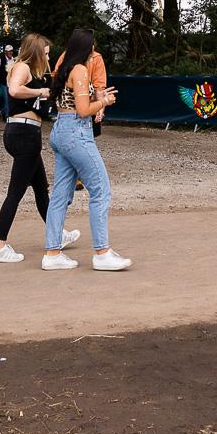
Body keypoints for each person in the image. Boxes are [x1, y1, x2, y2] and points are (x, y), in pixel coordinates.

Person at [42, 29, 131, 271]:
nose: (94, 53)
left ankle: (52, 252)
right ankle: (102, 252)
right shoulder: (80, 70)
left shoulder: (64, 67)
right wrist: (104, 102)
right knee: (101, 190)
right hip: (76, 132)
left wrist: (100, 98)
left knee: (60, 195)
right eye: (92, 48)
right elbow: (82, 110)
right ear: (86, 49)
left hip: (61, 129)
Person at [0, 33, 79, 262]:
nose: (48, 58)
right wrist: (39, 91)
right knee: (15, 193)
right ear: (37, 52)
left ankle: (58, 232)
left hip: (27, 134)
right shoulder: (23, 67)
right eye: (46, 53)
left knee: (41, 189)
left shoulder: (32, 71)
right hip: (23, 134)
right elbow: (15, 90)